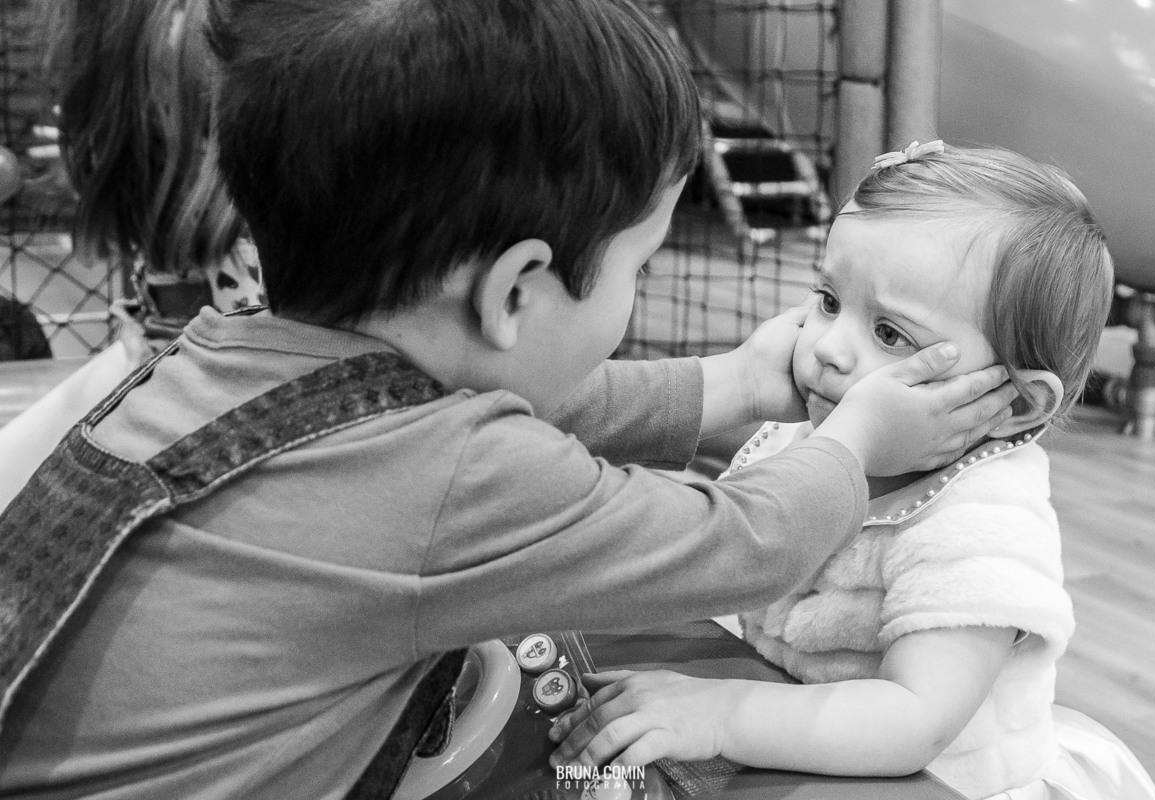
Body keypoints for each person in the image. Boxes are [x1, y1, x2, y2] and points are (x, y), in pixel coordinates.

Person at [0, 3, 1016, 796]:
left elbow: (506, 413)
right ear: (515, 290)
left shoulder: (211, 357)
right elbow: (745, 542)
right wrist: (856, 442)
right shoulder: (452, 481)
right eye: (640, 267)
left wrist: (733, 384)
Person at [548, 142, 1155, 800]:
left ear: (1013, 404)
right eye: (829, 300)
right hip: (795, 752)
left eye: (891, 335)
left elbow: (912, 721)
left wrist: (723, 714)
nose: (829, 348)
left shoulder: (984, 523)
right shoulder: (817, 434)